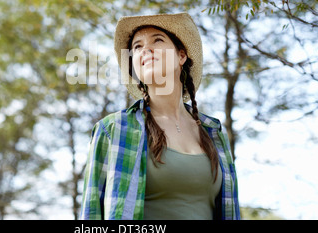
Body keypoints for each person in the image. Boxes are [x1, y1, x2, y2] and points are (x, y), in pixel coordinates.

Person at [79, 13, 240, 220]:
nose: (146, 49)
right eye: (137, 47)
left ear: (181, 56)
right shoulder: (113, 129)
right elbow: (90, 215)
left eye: (157, 40)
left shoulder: (214, 132)